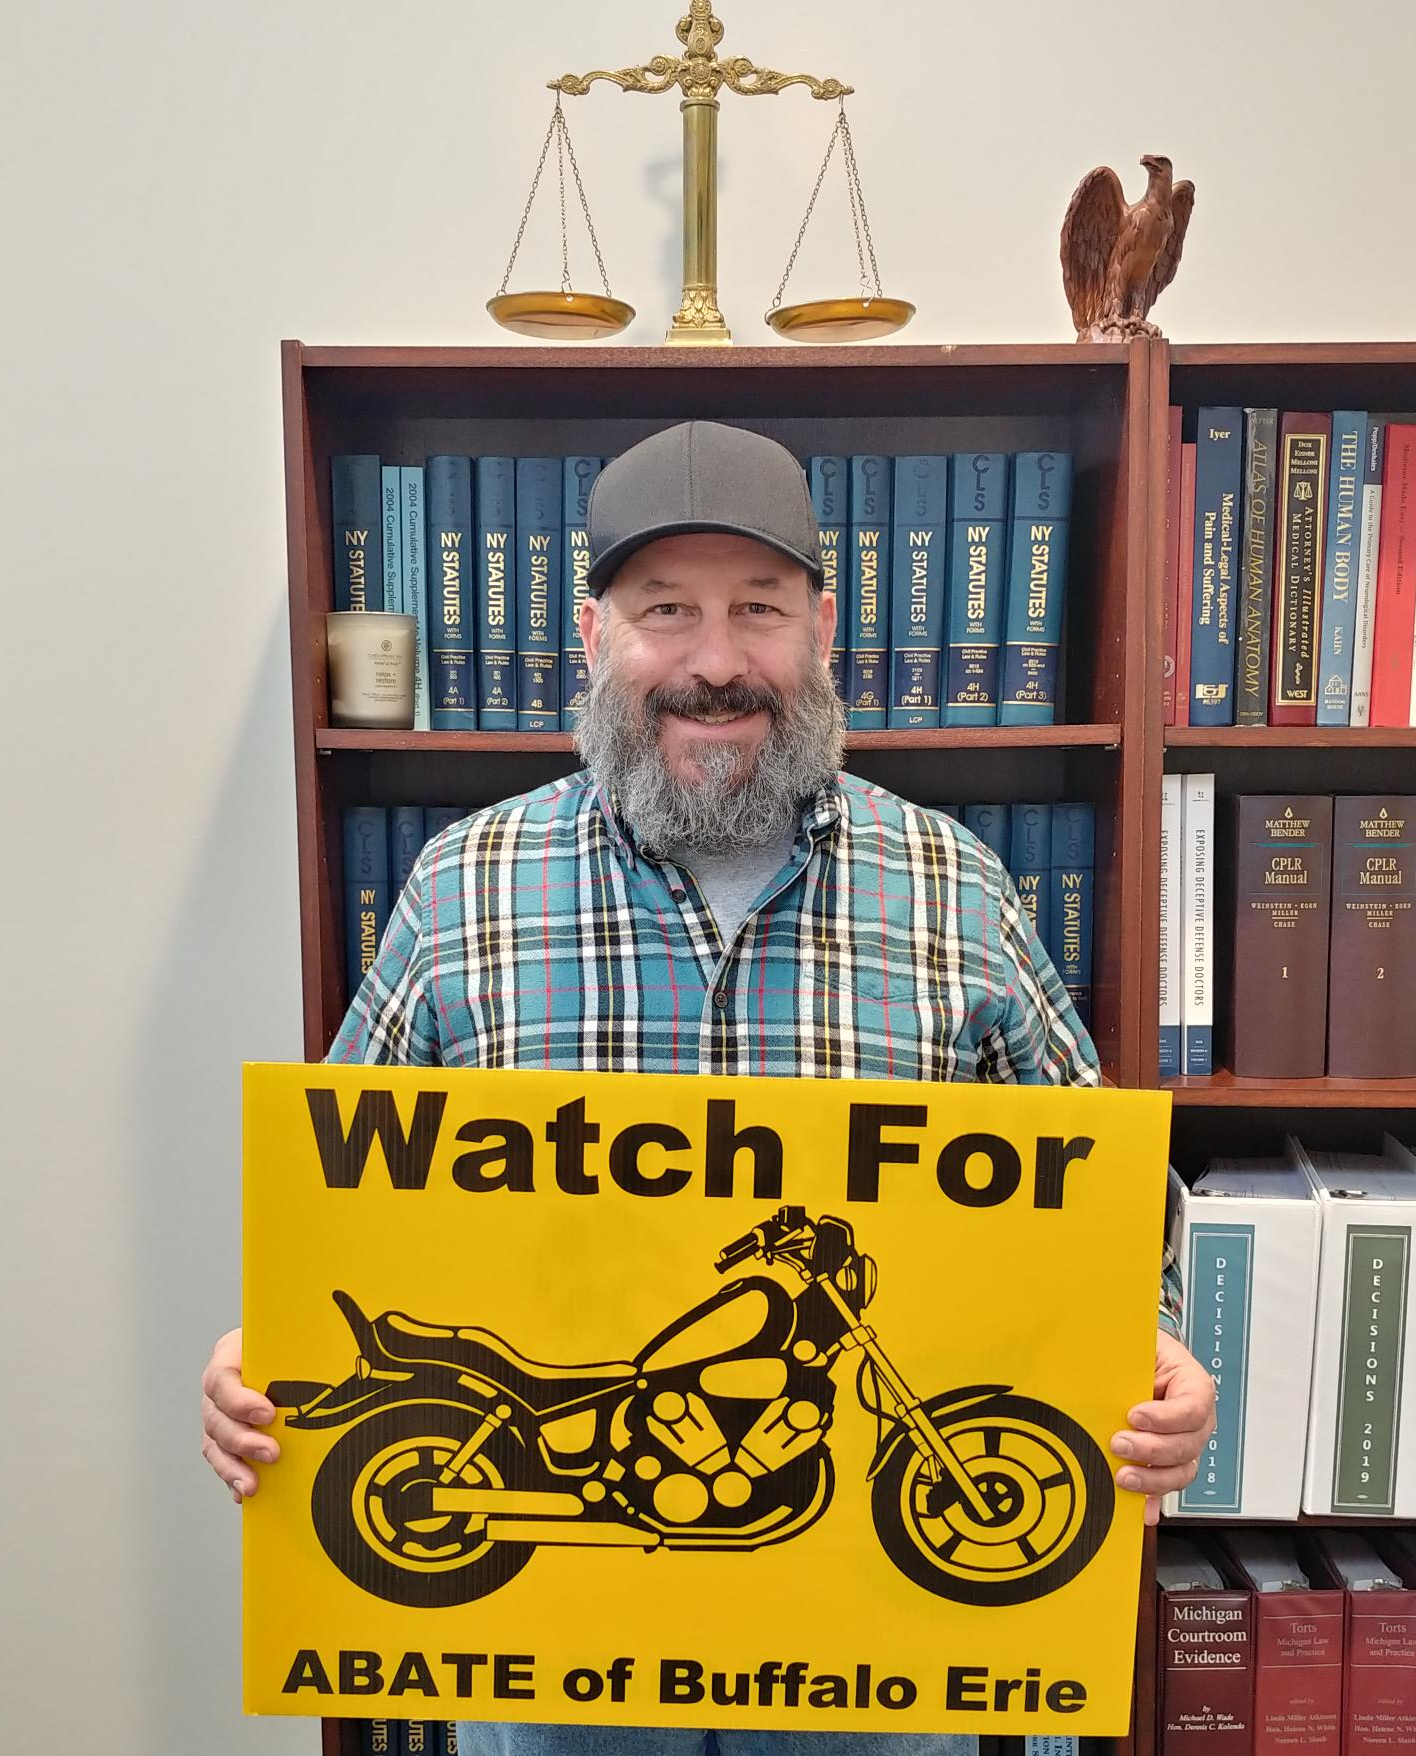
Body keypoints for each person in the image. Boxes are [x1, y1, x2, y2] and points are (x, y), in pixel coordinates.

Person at [202, 421, 1215, 1756]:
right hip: (548, 1687)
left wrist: (1154, 1362)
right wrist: (258, 1358)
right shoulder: (460, 888)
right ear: (591, 637)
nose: (716, 661)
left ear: (825, 629)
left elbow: (1112, 1197)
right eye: (665, 611)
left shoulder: (956, 885)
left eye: (759, 610)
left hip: (880, 1687)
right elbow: (332, 1188)